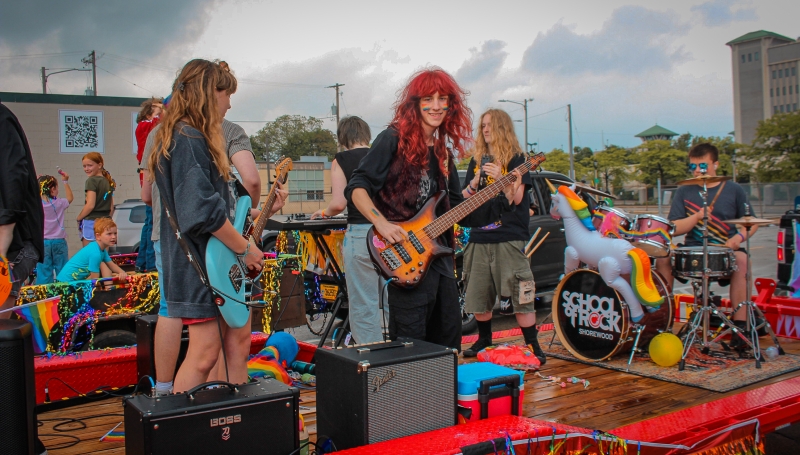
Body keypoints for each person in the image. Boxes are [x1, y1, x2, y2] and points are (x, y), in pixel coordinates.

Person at [345, 68, 521, 351]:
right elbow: (357, 187)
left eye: (443, 99)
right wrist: (382, 224)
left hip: (440, 263)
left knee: (448, 341)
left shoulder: (443, 152)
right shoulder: (392, 139)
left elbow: (460, 210)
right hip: (406, 261)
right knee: (412, 348)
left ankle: (442, 395)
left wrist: (505, 197)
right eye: (429, 98)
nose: (437, 106)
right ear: (415, 103)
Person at [149, 58, 266, 393]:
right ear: (208, 93)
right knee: (202, 356)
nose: (229, 102)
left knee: (207, 351)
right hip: (199, 262)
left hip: (199, 259)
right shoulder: (188, 138)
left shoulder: (179, 134)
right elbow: (203, 212)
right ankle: (177, 431)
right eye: (226, 94)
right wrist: (246, 248)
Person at [459, 109, 545, 364]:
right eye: (482, 125)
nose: (485, 130)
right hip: (478, 236)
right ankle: (484, 339)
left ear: (502, 128)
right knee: (478, 293)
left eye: (490, 125)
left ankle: (532, 344)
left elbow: (518, 199)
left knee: (520, 291)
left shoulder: (518, 159)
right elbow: (465, 200)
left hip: (508, 236)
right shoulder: (478, 160)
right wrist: (474, 183)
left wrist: (502, 179)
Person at [655, 142, 755, 348]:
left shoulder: (733, 189)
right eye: (693, 167)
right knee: (662, 258)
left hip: (725, 251)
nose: (698, 171)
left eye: (703, 166)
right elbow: (674, 227)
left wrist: (739, 239)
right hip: (692, 251)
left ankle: (741, 328)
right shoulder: (684, 190)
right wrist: (698, 216)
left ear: (715, 164)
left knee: (743, 260)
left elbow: (751, 223)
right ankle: (662, 322)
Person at [311, 116, 388, 344]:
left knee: (364, 305)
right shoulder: (383, 155)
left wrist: (323, 212)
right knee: (392, 300)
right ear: (366, 133)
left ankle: (371, 361)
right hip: (391, 234)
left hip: (361, 235)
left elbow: (338, 204)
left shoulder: (341, 160)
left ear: (343, 138)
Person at [0, 101, 49, 455]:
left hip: (10, 248)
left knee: (5, 345)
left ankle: (18, 435)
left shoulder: (1, 120)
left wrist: (1, 251)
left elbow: (13, 183)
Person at [134, 97, 163, 273]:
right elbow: (159, 125)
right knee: (152, 222)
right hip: (149, 176)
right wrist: (161, 109)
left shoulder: (148, 125)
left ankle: (143, 261)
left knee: (149, 222)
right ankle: (150, 262)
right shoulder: (145, 126)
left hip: (148, 174)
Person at [56, 218, 128, 282]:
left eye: (115, 233)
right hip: (65, 283)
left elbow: (111, 265)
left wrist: (122, 273)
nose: (113, 237)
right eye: (109, 234)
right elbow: (94, 280)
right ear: (98, 236)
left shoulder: (101, 249)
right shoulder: (95, 253)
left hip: (71, 282)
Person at [35, 174, 73, 284]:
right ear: (52, 189)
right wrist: (65, 182)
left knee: (44, 270)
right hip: (59, 241)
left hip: (43, 242)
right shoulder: (59, 203)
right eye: (56, 188)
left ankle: (45, 295)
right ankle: (63, 293)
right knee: (62, 269)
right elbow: (70, 198)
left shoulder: (37, 205)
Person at [76, 152, 115, 246]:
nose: (86, 169)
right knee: (102, 256)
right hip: (106, 221)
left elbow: (90, 205)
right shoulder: (108, 181)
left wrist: (79, 218)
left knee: (89, 255)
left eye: (89, 165)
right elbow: (111, 207)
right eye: (84, 166)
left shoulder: (91, 181)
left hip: (91, 221)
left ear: (99, 165)